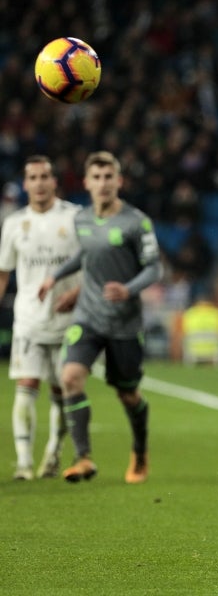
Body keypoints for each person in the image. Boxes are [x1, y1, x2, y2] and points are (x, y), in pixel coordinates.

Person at [38, 151, 163, 484]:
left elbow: (154, 268)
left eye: (109, 177)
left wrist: (129, 289)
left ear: (119, 181)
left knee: (128, 395)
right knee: (70, 378)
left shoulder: (137, 222)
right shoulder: (81, 219)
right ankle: (83, 459)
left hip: (123, 323)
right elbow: (86, 255)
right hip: (88, 317)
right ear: (87, 183)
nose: (103, 183)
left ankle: (139, 450)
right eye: (97, 177)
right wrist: (56, 277)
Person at [0, 155, 81, 480]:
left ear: (54, 181)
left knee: (62, 389)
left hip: (68, 319)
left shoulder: (75, 218)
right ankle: (23, 463)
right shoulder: (14, 224)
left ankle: (53, 453)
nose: (39, 183)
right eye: (32, 177)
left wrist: (76, 294)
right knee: (26, 384)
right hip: (29, 318)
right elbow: (3, 272)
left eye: (44, 176)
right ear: (25, 184)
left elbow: (93, 262)